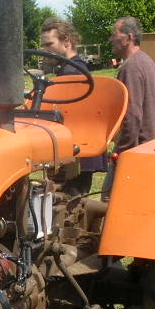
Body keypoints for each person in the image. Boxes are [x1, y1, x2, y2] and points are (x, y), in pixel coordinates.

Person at [40, 17, 103, 194]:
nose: (45, 50)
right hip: (75, 150)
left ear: (66, 41)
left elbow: (66, 115)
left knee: (69, 206)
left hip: (76, 153)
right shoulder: (72, 69)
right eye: (44, 45)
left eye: (49, 44)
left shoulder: (72, 73)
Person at [110, 16, 155, 152]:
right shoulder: (145, 61)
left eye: (114, 34)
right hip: (149, 148)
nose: (111, 39)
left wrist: (121, 151)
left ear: (129, 38)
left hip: (137, 151)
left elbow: (131, 116)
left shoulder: (132, 66)